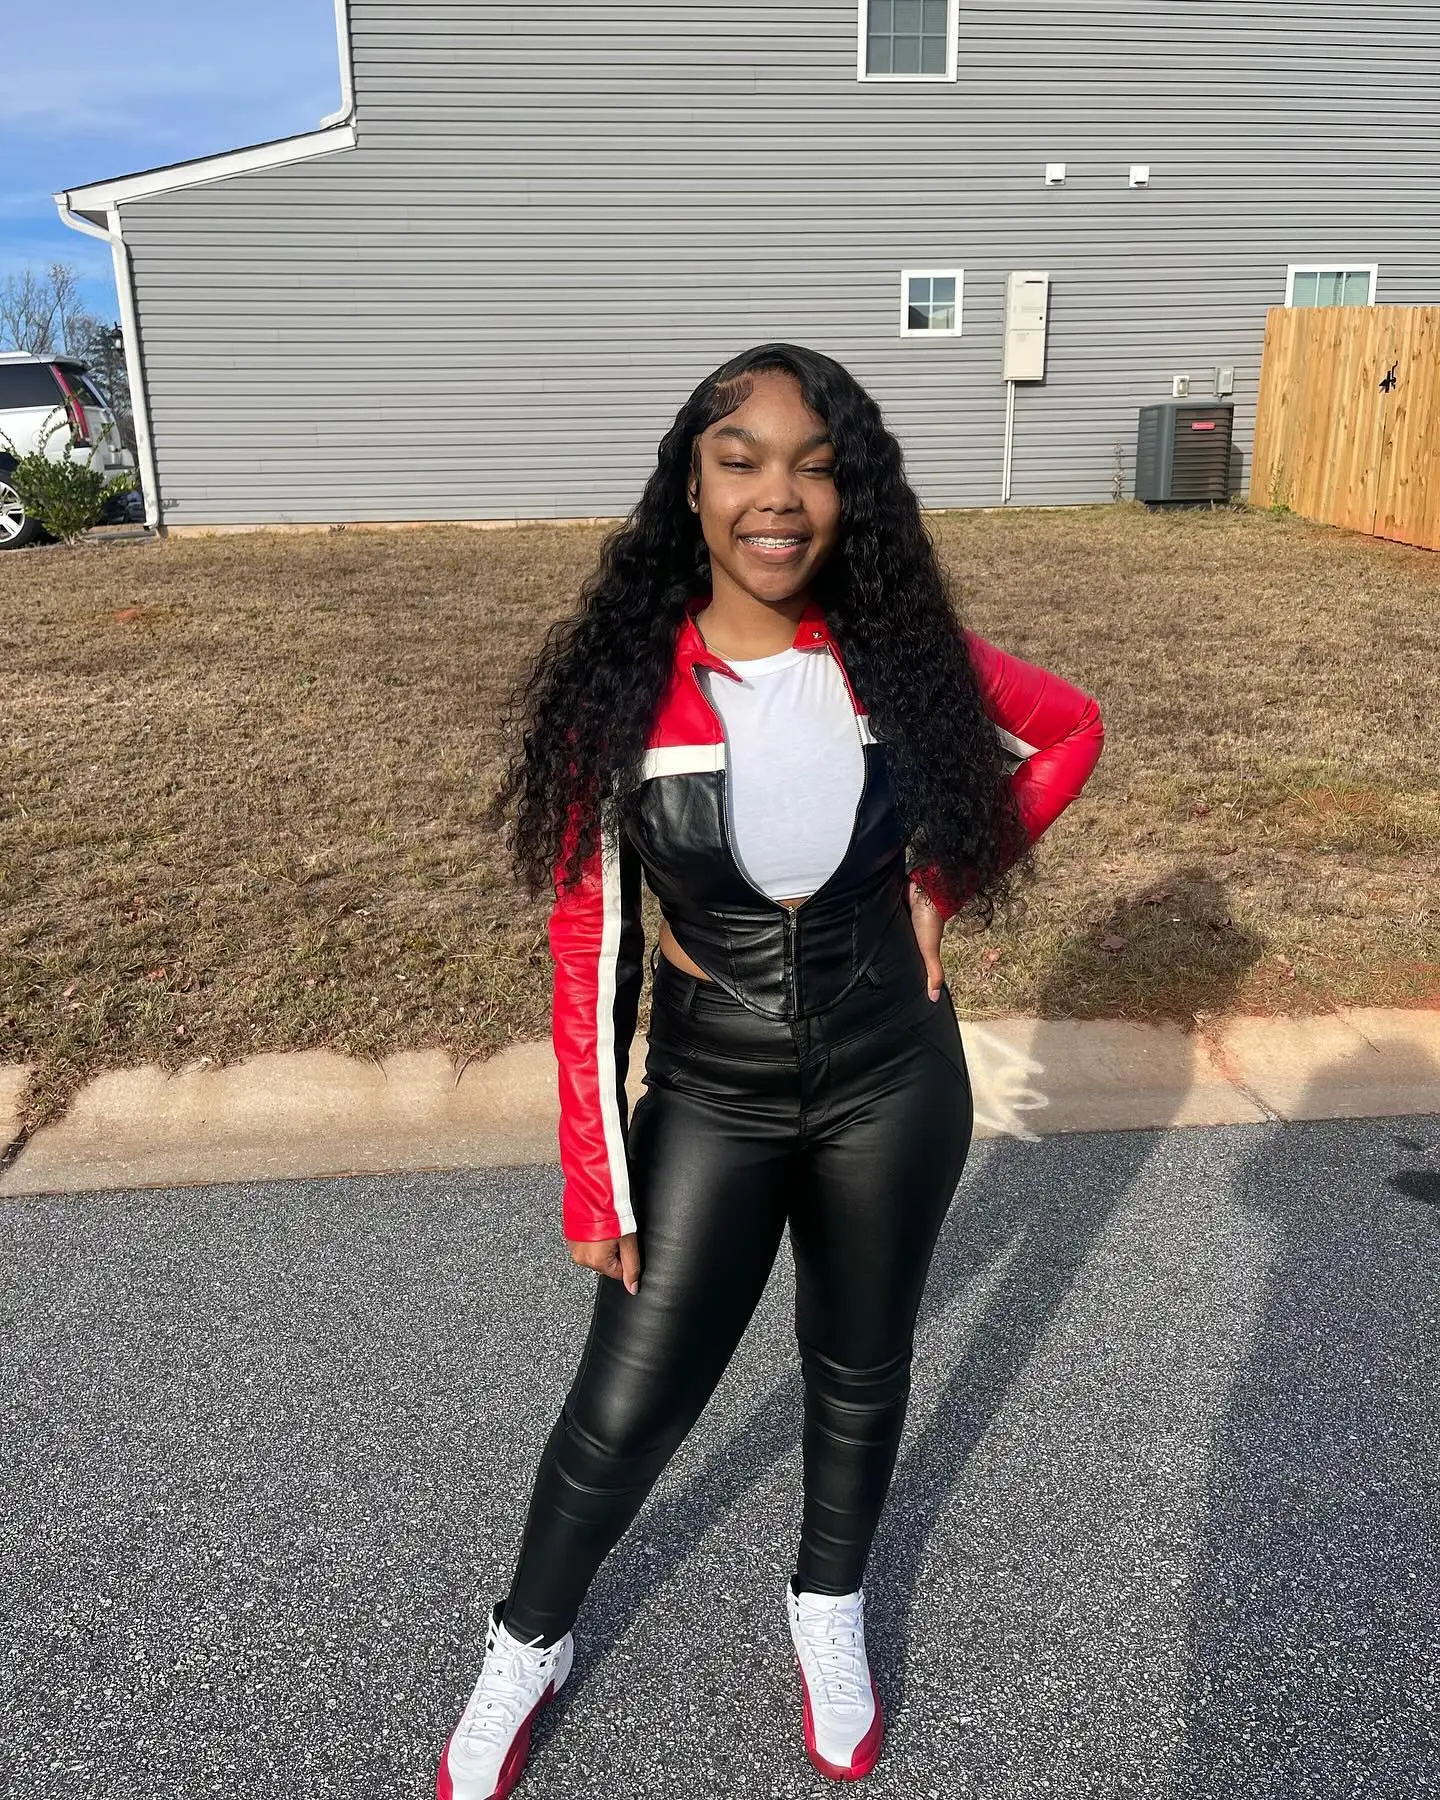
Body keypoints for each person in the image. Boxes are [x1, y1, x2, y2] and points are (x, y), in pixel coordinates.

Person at [437, 343, 1104, 1799]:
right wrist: (595, 1175)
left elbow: (1068, 730)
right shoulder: (628, 692)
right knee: (627, 1403)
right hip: (713, 1089)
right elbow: (589, 950)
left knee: (859, 1372)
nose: (777, 496)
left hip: (893, 1077)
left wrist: (944, 878)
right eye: (740, 462)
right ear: (690, 487)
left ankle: (828, 1603)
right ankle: (527, 1641)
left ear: (852, 495)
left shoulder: (899, 660)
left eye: (815, 466)